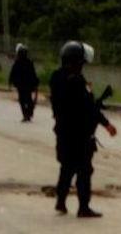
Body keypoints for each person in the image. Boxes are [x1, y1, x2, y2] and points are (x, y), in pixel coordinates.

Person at [49, 41, 117, 218]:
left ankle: (61, 201)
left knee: (67, 168)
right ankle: (83, 207)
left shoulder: (56, 78)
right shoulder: (77, 81)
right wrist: (106, 124)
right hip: (79, 134)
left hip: (63, 132)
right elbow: (90, 108)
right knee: (84, 171)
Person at [9, 43, 39, 122]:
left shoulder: (23, 62)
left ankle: (27, 114)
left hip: (24, 85)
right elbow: (13, 73)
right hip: (23, 85)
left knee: (25, 100)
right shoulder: (21, 62)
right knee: (25, 100)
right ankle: (27, 114)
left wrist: (11, 81)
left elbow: (32, 74)